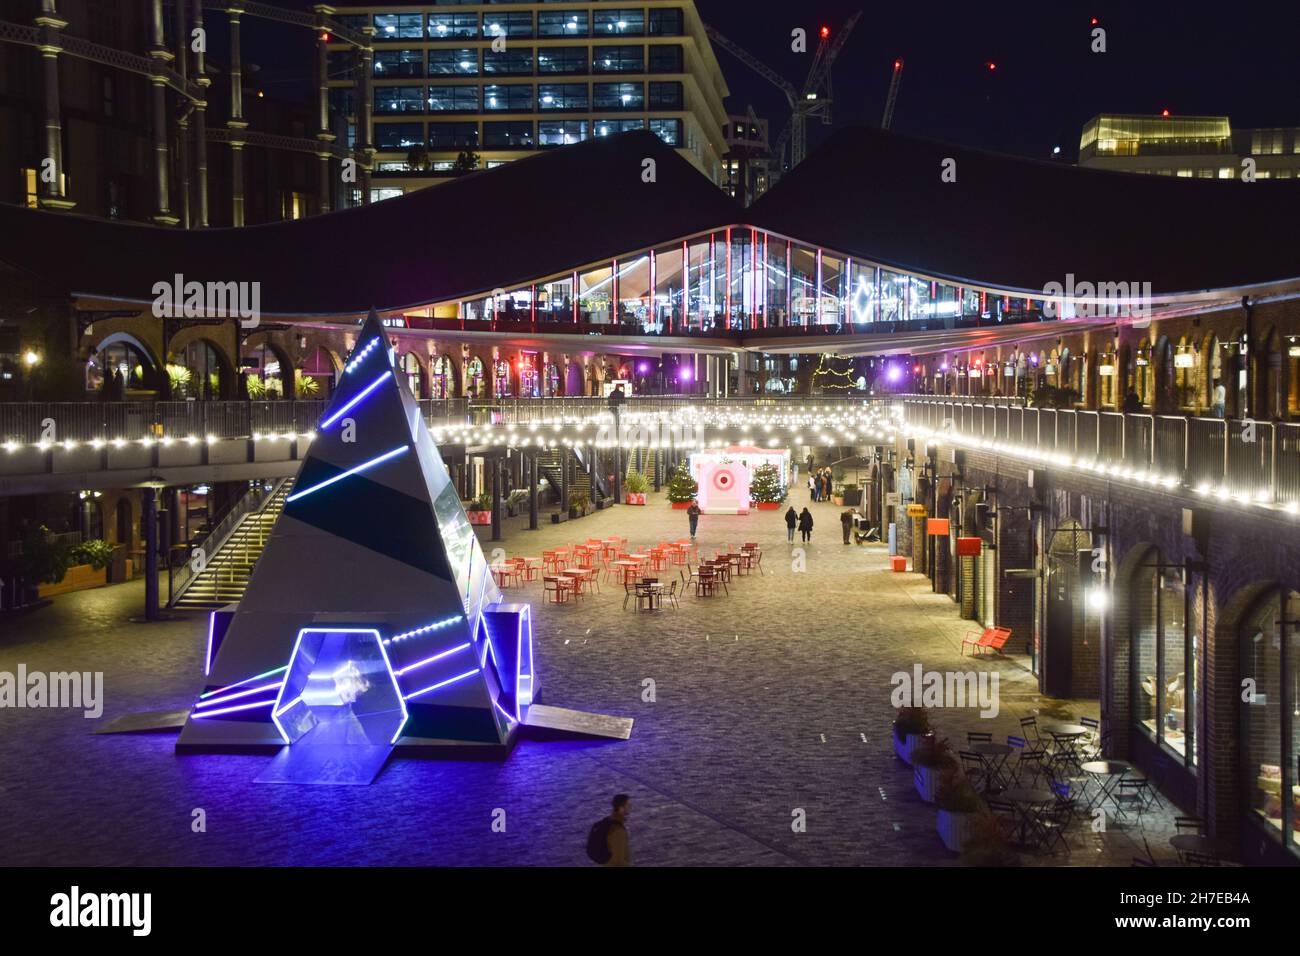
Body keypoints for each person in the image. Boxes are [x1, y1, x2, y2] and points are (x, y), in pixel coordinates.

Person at [586, 793, 632, 866]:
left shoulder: (608, 822)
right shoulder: (617, 830)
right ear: (621, 807)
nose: (630, 807)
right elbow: (618, 861)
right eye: (628, 805)